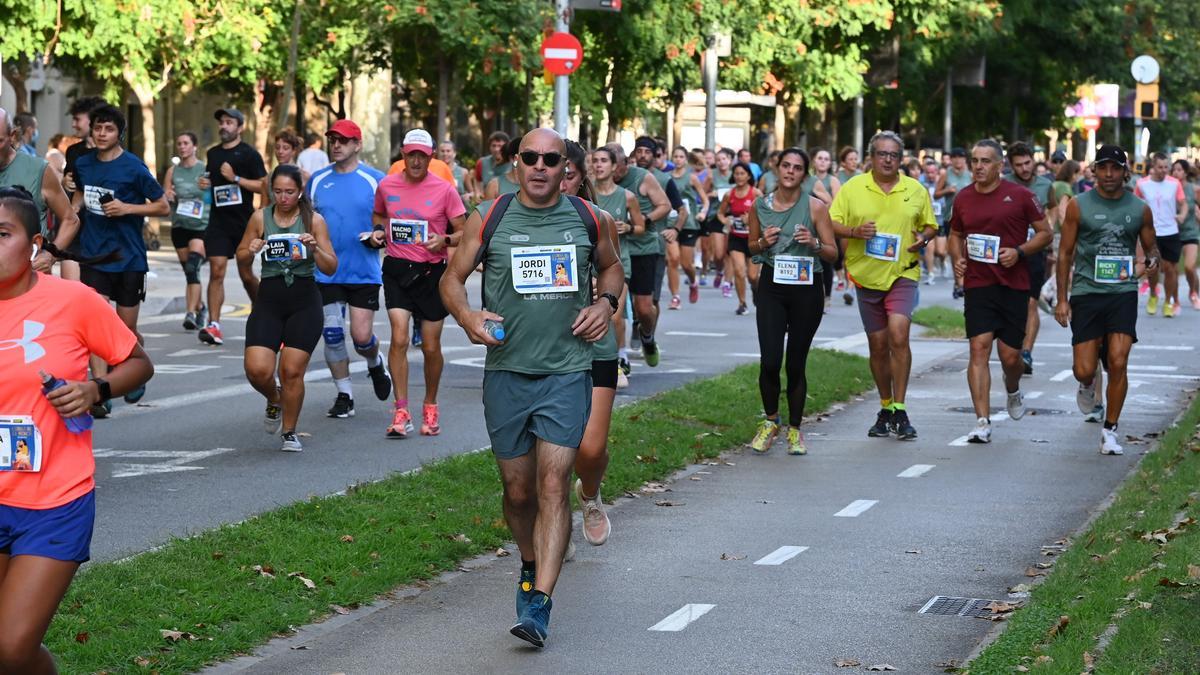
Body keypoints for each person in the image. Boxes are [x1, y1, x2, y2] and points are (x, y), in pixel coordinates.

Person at [440, 128, 623, 648]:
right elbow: (451, 279)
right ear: (516, 163)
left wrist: (605, 305)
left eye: (552, 159)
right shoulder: (489, 216)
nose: (541, 167)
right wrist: (467, 314)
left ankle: (539, 603)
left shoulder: (591, 218)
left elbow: (611, 269)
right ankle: (529, 562)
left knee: (552, 484)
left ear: (566, 166)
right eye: (531, 158)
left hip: (566, 371)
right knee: (518, 492)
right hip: (506, 373)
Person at [0, 185, 153, 675]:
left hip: (53, 501)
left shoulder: (73, 300)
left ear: (35, 244)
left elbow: (137, 362)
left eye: (2, 234)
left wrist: (94, 390)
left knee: (10, 649)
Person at [829, 130, 936, 441]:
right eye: (882, 154)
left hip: (903, 272)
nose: (888, 159)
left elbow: (929, 225)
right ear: (871, 158)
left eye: (894, 155)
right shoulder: (853, 188)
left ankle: (901, 409)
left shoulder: (914, 190)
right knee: (877, 345)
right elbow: (831, 222)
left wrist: (924, 238)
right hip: (866, 276)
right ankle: (885, 407)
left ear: (900, 159)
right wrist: (854, 231)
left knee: (898, 334)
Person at [1055, 145, 1159, 456]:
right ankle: (1088, 385)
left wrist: (1151, 263)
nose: (1109, 174)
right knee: (1084, 369)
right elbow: (1065, 254)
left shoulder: (1139, 208)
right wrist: (1062, 299)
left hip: (1122, 294)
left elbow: (1152, 250)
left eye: (1115, 168)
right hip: (1087, 292)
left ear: (1126, 171)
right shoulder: (1078, 205)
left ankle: (1110, 429)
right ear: (1095, 171)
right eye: (1104, 168)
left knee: (1118, 360)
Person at [948, 140, 1052, 443]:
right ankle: (982, 420)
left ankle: (1013, 388)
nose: (978, 166)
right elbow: (955, 234)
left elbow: (1046, 233)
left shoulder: (1021, 196)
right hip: (979, 284)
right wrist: (958, 259)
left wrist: (1019, 252)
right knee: (978, 347)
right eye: (974, 160)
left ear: (999, 166)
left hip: (1013, 285)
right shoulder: (964, 198)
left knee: (1010, 357)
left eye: (985, 161)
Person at [70, 104, 169, 412]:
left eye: (108, 129)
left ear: (119, 134)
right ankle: (101, 391)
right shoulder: (83, 164)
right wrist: (66, 194)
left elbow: (162, 206)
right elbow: (76, 203)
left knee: (124, 331)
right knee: (96, 323)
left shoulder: (134, 167)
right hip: (94, 254)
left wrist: (128, 209)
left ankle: (134, 365)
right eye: (97, 128)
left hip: (128, 257)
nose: (101, 134)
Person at [370, 129, 465, 438]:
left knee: (430, 345)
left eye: (421, 155)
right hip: (397, 268)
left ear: (430, 157)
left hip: (431, 272)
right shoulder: (387, 185)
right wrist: (377, 233)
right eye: (411, 154)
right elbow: (378, 215)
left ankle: (430, 404)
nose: (415, 160)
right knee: (398, 338)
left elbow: (465, 231)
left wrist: (446, 239)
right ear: (403, 155)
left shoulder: (444, 189)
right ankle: (401, 410)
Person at [238, 165, 337, 452]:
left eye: (289, 192)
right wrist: (251, 250)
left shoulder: (313, 220)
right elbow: (241, 259)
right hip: (269, 298)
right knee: (257, 369)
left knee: (292, 370)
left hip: (304, 299)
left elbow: (331, 268)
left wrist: (315, 248)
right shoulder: (260, 217)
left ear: (300, 192)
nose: (283, 198)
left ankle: (290, 431)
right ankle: (274, 398)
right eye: (278, 191)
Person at [745, 148, 838, 454]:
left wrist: (814, 243)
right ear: (777, 169)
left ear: (804, 175)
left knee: (795, 363)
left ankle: (795, 431)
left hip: (806, 288)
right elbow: (752, 247)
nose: (790, 172)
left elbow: (833, 253)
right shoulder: (760, 206)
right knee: (770, 360)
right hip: (772, 286)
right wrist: (763, 242)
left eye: (797, 168)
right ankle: (771, 420)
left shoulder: (815, 208)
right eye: (786, 166)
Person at [306, 119, 391, 420]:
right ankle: (345, 394)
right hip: (326, 270)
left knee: (361, 337)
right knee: (331, 333)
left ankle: (374, 362)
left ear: (358, 144)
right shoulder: (316, 180)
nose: (337, 145)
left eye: (343, 140)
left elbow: (388, 221)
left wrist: (378, 235)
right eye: (333, 139)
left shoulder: (376, 179)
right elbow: (306, 220)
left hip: (362, 270)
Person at [561, 139, 617, 545]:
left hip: (594, 344)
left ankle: (590, 494)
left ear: (581, 179)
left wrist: (603, 301)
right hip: (540, 348)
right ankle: (552, 524)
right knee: (546, 456)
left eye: (567, 173)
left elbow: (617, 276)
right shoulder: (511, 220)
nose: (557, 181)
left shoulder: (597, 220)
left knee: (590, 450)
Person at [197, 108, 267, 345]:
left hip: (243, 223)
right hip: (218, 221)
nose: (224, 126)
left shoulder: (249, 154)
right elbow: (212, 182)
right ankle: (214, 325)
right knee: (216, 270)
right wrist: (205, 183)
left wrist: (235, 178)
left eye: (229, 122)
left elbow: (263, 186)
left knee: (246, 275)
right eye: (222, 123)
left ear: (240, 127)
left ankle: (264, 313)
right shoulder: (213, 153)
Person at [610, 140, 671, 367]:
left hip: (643, 247)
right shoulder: (597, 183)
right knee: (614, 306)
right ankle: (619, 355)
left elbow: (665, 206)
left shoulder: (642, 178)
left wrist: (641, 221)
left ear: (624, 164)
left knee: (644, 308)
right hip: (615, 251)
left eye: (613, 166)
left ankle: (647, 335)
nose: (609, 171)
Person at [0, 108, 79, 278]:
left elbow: (70, 220)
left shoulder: (38, 170)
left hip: (28, 282)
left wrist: (50, 255)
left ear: (12, 136)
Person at [592, 146, 644, 388]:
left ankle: (620, 357)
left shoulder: (627, 196)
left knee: (614, 315)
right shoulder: (586, 195)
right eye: (595, 161)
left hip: (619, 265)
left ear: (615, 166)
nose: (599, 165)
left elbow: (641, 226)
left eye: (604, 161)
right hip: (592, 265)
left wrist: (629, 228)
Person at [1005, 142, 1056, 375]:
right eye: (1019, 165)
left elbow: (1053, 208)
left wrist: (1049, 227)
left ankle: (1026, 352)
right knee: (1011, 304)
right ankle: (1012, 349)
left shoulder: (1045, 185)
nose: (1024, 168)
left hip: (1035, 250)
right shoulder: (1004, 184)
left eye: (1027, 163)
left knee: (1031, 303)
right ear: (1011, 165)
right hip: (1008, 250)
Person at [162, 131, 209, 331]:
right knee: (190, 274)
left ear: (194, 146)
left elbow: (210, 200)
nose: (182, 147)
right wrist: (169, 195)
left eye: (186, 143)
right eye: (179, 143)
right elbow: (164, 198)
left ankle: (190, 313)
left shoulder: (204, 170)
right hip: (180, 226)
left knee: (192, 268)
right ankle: (201, 308)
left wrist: (207, 190)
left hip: (200, 226)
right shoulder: (173, 171)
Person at [1134, 152, 1185, 317]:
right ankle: (1154, 296)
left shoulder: (1174, 183)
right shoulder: (1142, 184)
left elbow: (1183, 204)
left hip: (1170, 231)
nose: (1163, 170)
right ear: (1153, 167)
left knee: (1171, 268)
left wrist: (1182, 215)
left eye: (1166, 167)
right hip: (1151, 232)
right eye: (1160, 167)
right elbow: (1134, 203)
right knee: (1153, 268)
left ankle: (1168, 301)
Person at [644, 140, 687, 310]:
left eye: (648, 152)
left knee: (651, 299)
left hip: (657, 243)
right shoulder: (624, 179)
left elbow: (682, 210)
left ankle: (648, 334)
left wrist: (675, 230)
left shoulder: (665, 179)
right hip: (629, 244)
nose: (643, 156)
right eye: (638, 152)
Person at [716, 161, 761, 315]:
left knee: (753, 276)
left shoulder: (756, 193)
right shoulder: (729, 194)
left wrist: (751, 219)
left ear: (748, 175)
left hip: (754, 239)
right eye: (736, 174)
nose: (739, 177)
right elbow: (720, 213)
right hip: (736, 238)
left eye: (742, 173)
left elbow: (768, 214)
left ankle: (756, 290)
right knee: (739, 271)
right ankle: (742, 303)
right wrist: (726, 220)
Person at [670, 145, 708, 305]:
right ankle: (676, 297)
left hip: (689, 223)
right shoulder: (666, 177)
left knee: (686, 263)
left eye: (681, 157)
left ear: (686, 159)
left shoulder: (691, 177)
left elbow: (704, 200)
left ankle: (693, 282)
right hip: (671, 222)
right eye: (675, 156)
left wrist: (703, 212)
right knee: (673, 259)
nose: (678, 159)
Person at [937, 147, 973, 299]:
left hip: (968, 218)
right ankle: (959, 283)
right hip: (949, 218)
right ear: (951, 160)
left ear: (965, 159)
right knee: (954, 251)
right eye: (955, 157)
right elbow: (936, 194)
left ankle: (962, 281)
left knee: (966, 251)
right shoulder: (946, 174)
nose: (958, 160)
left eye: (961, 157)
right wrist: (947, 191)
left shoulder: (970, 175)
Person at [702, 148, 735, 294]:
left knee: (730, 252)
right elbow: (702, 194)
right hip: (716, 216)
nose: (721, 162)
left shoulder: (737, 174)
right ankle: (719, 271)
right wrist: (711, 194)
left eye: (724, 159)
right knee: (719, 254)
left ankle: (727, 283)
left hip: (733, 216)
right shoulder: (712, 175)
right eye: (718, 160)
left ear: (730, 160)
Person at [1169, 159, 1199, 310]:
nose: (1176, 172)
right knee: (1173, 270)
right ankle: (1175, 301)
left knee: (1189, 266)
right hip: (1172, 233)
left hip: (1191, 232)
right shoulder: (1168, 188)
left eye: (1179, 169)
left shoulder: (1194, 189)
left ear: (1186, 172)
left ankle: (1193, 293)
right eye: (1174, 169)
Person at [919, 159, 947, 285]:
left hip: (940, 221)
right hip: (927, 223)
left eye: (933, 172)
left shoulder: (942, 184)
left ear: (937, 172)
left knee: (940, 251)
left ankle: (942, 260)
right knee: (929, 248)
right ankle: (930, 274)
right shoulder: (920, 183)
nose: (930, 175)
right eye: (928, 172)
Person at [471, 130, 512, 196]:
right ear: (489, 147)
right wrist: (478, 193)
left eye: (500, 146)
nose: (496, 149)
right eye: (494, 146)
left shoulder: (514, 163)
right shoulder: (482, 162)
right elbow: (477, 180)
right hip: (488, 202)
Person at [438, 140, 471, 206]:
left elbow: (472, 192)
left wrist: (468, 195)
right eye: (442, 151)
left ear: (454, 153)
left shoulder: (463, 172)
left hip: (459, 209)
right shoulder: (433, 171)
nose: (445, 154)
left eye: (448, 151)